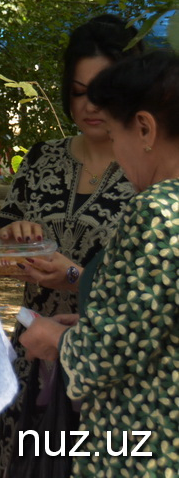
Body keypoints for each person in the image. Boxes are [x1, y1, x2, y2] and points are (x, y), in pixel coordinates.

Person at [0, 14, 144, 476]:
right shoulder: (42, 158)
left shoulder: (152, 173)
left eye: (103, 90)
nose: (90, 105)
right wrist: (11, 245)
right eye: (78, 92)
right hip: (34, 354)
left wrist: (75, 277)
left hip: (107, 361)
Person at [20, 49, 179, 476]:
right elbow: (148, 323)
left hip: (141, 446)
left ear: (144, 128)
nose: (115, 152)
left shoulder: (157, 210)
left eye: (113, 134)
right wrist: (93, 320)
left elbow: (103, 357)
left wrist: (54, 339)